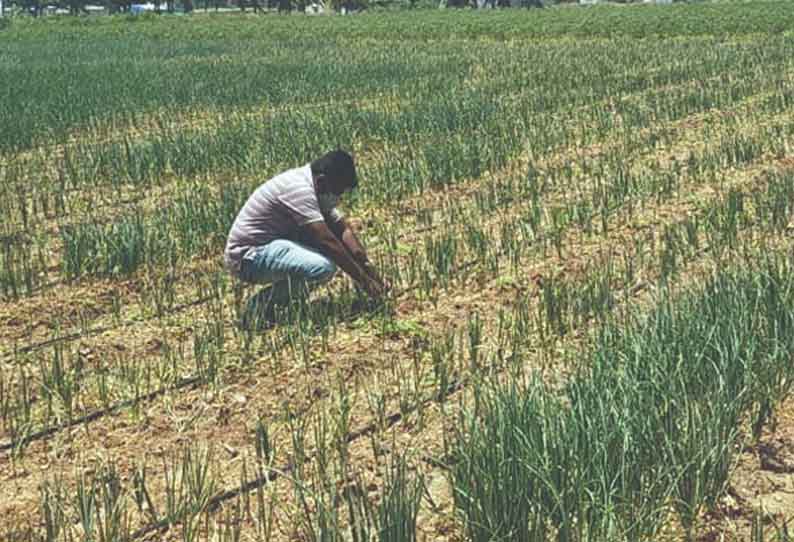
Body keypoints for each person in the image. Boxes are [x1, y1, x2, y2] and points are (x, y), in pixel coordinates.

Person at [224, 150, 386, 324]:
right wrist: (365, 282)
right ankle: (260, 307)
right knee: (322, 267)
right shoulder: (299, 189)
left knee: (326, 252)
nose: (338, 199)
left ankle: (278, 301)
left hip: (270, 248)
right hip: (248, 257)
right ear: (322, 181)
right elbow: (328, 241)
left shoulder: (317, 187)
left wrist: (369, 269)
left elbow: (342, 229)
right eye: (338, 192)